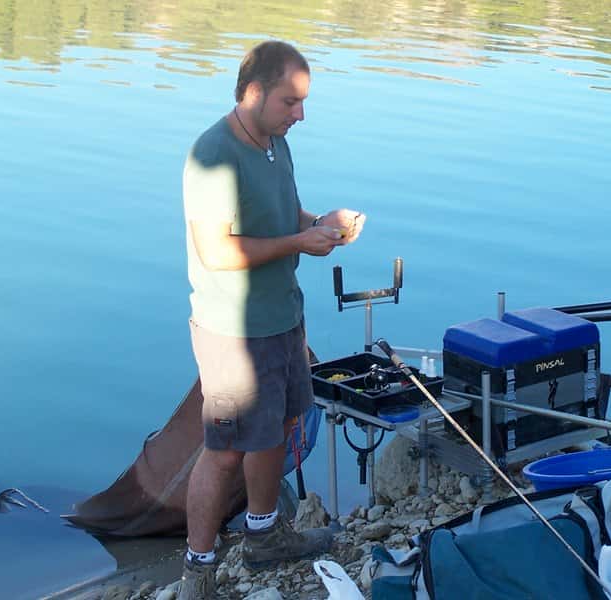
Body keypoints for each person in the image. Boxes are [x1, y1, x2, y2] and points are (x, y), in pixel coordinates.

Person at [179, 40, 366, 599]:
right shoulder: (213, 155)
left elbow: (282, 215)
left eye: (302, 102)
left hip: (283, 317)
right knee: (224, 451)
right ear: (255, 92)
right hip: (234, 331)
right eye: (291, 101)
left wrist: (321, 223)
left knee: (280, 427)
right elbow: (216, 251)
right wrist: (298, 242)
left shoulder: (275, 143)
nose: (300, 114)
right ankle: (197, 570)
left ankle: (263, 536)